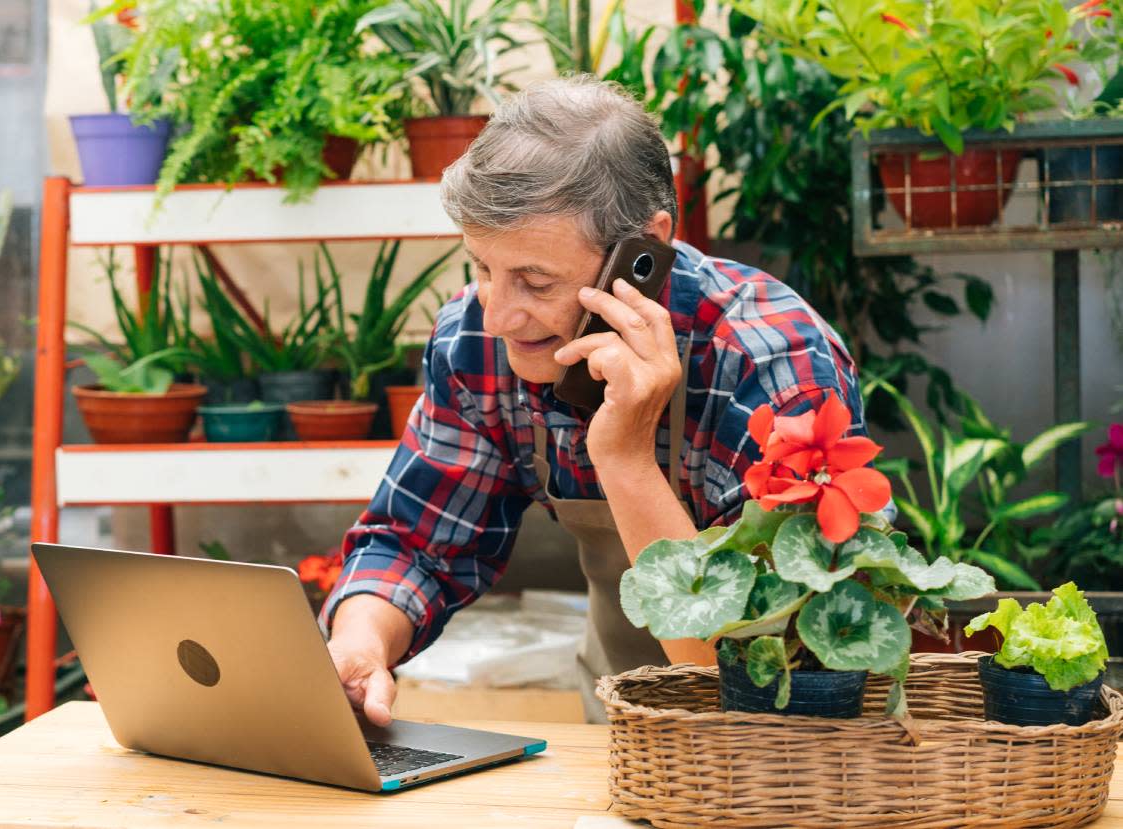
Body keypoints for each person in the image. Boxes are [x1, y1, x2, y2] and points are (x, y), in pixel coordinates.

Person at [323, 76, 870, 725]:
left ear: (647, 248)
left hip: (772, 752)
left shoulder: (773, 366)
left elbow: (764, 677)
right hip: (613, 734)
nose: (496, 315)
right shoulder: (476, 339)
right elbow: (416, 543)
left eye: (534, 280)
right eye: (480, 267)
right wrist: (360, 643)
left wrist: (627, 459)